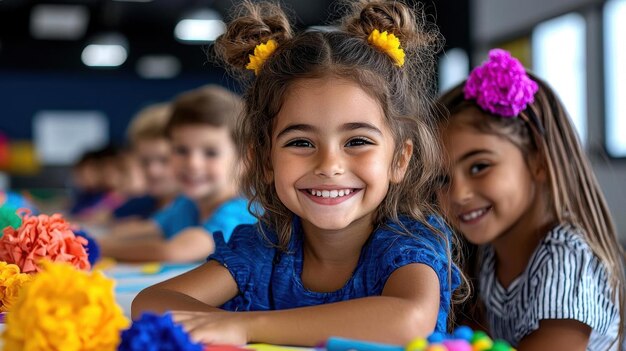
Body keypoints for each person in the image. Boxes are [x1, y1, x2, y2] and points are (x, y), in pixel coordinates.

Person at [132, 0, 465, 346]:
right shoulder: (264, 248)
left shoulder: (408, 243)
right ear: (265, 161)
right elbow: (150, 303)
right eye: (302, 143)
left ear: (399, 159)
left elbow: (409, 320)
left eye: (357, 141)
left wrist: (246, 326)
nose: (329, 165)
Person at [437, 49, 625, 350]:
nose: (458, 194)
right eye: (442, 179)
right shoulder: (490, 255)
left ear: (538, 160)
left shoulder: (565, 258)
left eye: (479, 167)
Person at [98, 85, 256, 262]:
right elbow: (146, 230)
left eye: (211, 153)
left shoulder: (243, 213)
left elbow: (171, 252)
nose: (193, 164)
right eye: (181, 150)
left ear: (245, 158)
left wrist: (95, 247)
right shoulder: (186, 204)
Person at [111, 103, 178, 222]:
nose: (153, 171)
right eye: (145, 161)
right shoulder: (139, 204)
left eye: (164, 160)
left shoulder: (198, 212)